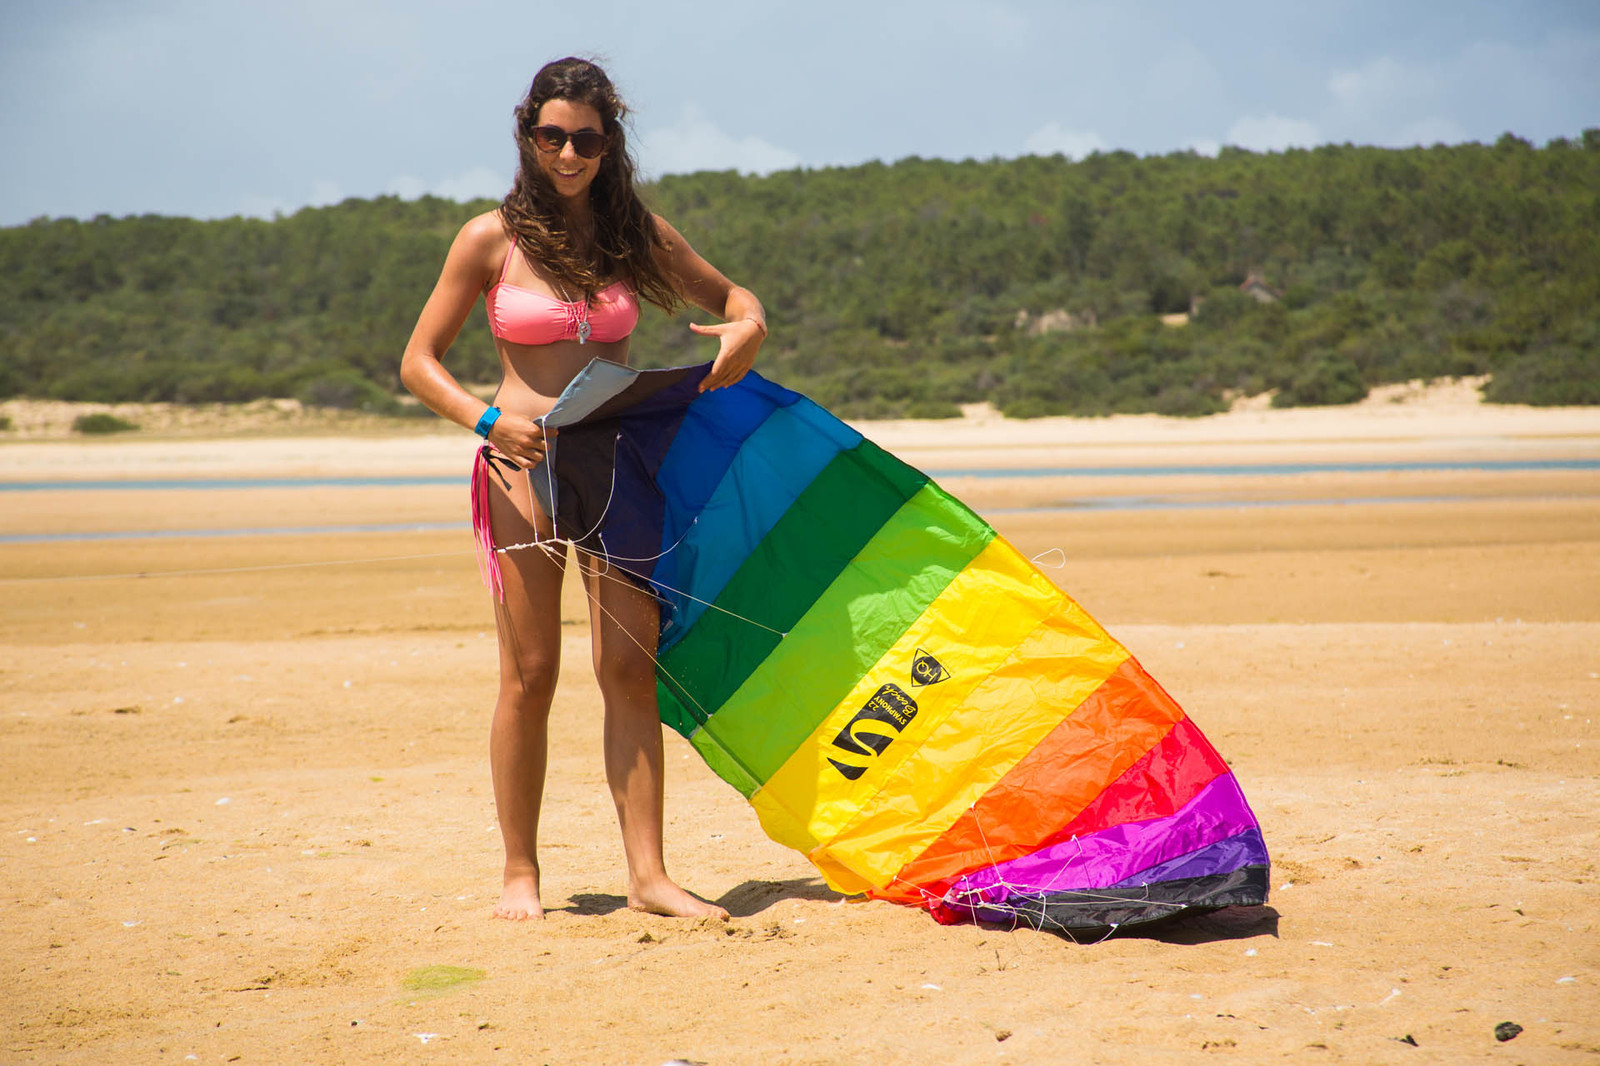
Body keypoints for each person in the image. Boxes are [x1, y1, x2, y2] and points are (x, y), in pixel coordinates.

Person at [400, 57, 766, 921]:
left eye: (586, 139)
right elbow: (418, 362)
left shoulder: (633, 232)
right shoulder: (488, 238)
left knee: (627, 671)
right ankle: (519, 873)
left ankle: (649, 878)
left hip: (619, 463)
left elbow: (732, 296)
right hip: (519, 464)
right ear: (528, 134)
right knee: (530, 675)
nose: (568, 153)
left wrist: (747, 326)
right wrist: (487, 424)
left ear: (609, 144)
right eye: (552, 136)